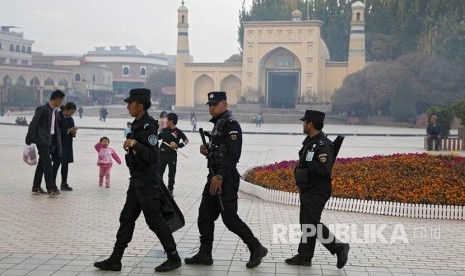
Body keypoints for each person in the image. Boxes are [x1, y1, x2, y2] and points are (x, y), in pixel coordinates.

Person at [94, 88, 182, 272]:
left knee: (155, 220)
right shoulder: (136, 124)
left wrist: (134, 144)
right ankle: (115, 259)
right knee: (126, 218)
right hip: (136, 180)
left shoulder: (148, 126)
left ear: (140, 106)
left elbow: (152, 156)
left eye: (130, 103)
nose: (127, 106)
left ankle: (173, 257)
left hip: (147, 181)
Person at [184, 91, 267, 268]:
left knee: (230, 218)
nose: (211, 108)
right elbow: (221, 151)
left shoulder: (231, 125)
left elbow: (233, 155)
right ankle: (205, 254)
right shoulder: (218, 125)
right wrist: (208, 151)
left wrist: (220, 176)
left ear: (225, 105)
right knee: (204, 216)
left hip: (225, 179)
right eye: (210, 105)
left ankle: (256, 247)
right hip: (213, 177)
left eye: (215, 104)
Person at [285, 110, 349, 269]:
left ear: (311, 124)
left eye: (304, 122)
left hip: (318, 189)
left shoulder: (323, 144)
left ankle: (339, 247)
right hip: (308, 188)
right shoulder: (310, 142)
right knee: (306, 223)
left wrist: (308, 164)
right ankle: (304, 256)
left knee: (312, 224)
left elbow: (324, 169)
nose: (303, 124)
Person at [25, 89, 65, 196]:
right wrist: (29, 138)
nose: (61, 103)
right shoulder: (42, 109)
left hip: (50, 140)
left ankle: (36, 187)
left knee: (42, 164)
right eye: (61, 101)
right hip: (42, 140)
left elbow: (54, 127)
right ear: (56, 99)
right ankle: (51, 188)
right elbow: (34, 123)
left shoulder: (54, 111)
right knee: (48, 164)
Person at [158, 112, 189, 196]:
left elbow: (186, 140)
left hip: (172, 155)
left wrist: (178, 146)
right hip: (162, 154)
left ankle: (170, 189)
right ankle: (160, 188)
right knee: (159, 172)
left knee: (171, 174)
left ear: (171, 121)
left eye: (167, 119)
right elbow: (157, 137)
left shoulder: (178, 132)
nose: (166, 121)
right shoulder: (164, 130)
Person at [53, 102, 78, 191]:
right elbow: (56, 131)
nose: (71, 114)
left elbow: (72, 130)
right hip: (58, 144)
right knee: (56, 164)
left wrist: (74, 132)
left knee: (65, 164)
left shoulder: (70, 119)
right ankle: (52, 184)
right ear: (65, 109)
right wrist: (68, 131)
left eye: (73, 113)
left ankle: (64, 183)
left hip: (67, 144)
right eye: (70, 112)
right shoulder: (58, 117)